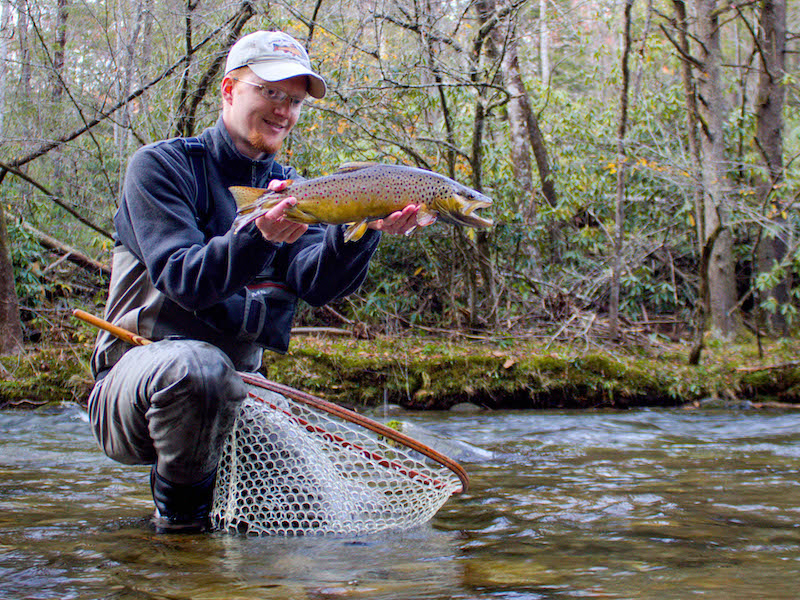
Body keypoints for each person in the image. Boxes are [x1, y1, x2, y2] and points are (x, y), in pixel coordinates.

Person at [87, 30, 423, 533]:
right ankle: (180, 529)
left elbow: (317, 283)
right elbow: (184, 278)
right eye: (269, 92)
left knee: (314, 524)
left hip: (247, 395)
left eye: (294, 100)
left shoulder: (293, 190)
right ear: (228, 90)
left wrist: (364, 231)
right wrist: (258, 239)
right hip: (136, 385)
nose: (283, 110)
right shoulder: (160, 168)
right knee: (199, 371)